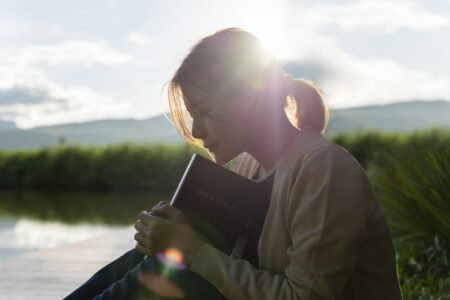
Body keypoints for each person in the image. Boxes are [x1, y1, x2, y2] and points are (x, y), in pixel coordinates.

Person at [66, 27, 403, 299]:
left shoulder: (323, 169)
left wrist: (191, 250)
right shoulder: (248, 166)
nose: (197, 131)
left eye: (207, 113)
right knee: (151, 257)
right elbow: (235, 267)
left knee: (172, 269)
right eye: (192, 116)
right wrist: (177, 232)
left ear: (252, 100)